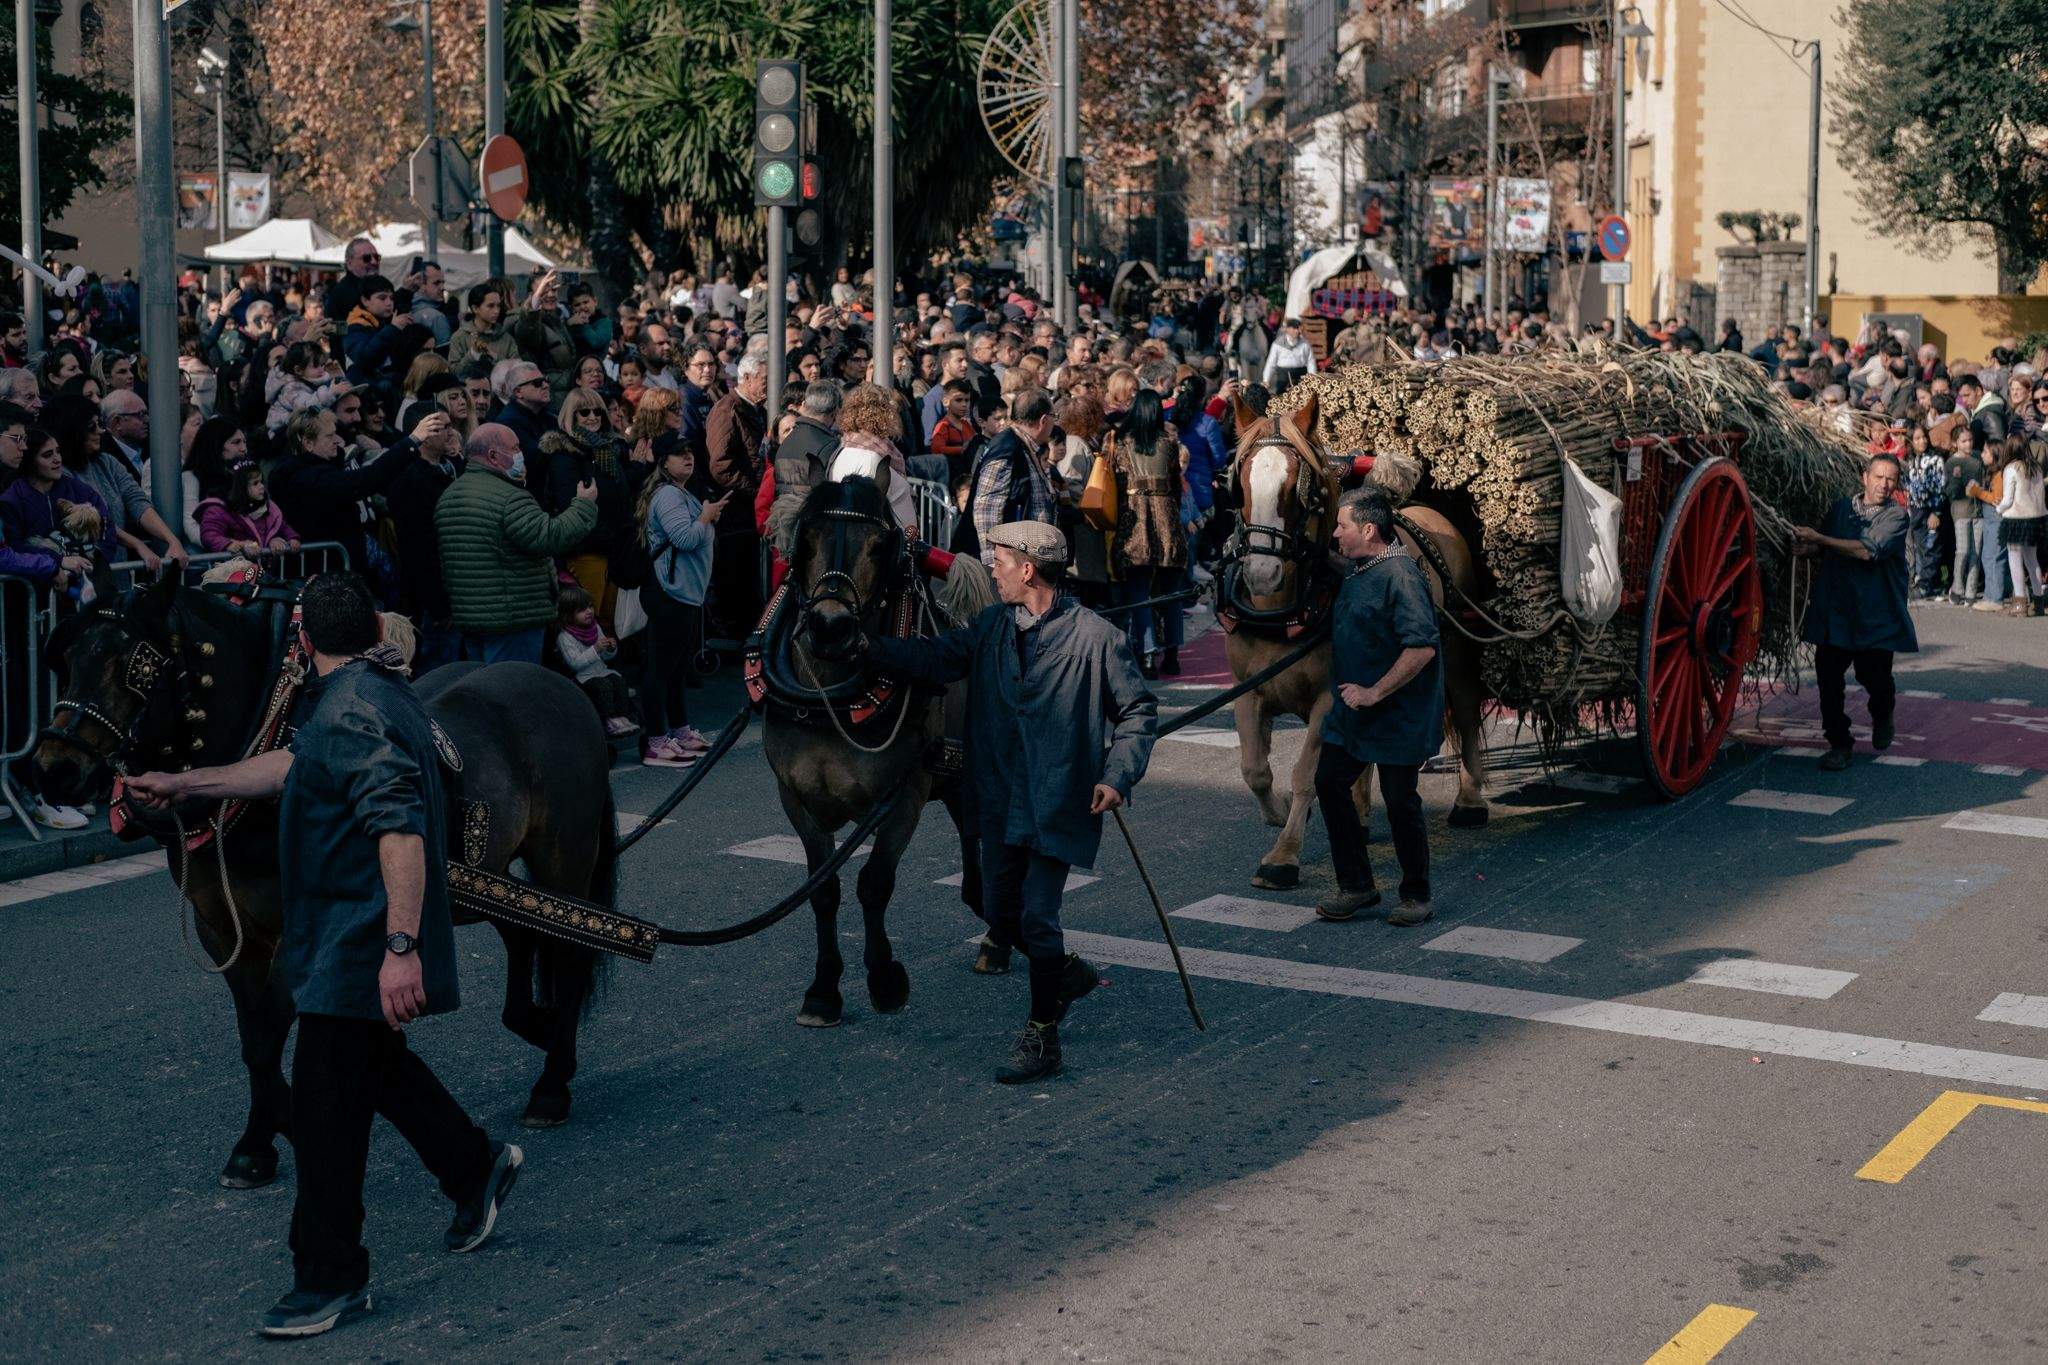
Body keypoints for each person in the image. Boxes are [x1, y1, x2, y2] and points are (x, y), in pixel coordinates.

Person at [123, 572, 524, 1340]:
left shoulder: (349, 712)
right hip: (343, 941)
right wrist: (189, 781)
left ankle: (330, 1275)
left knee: (324, 1112)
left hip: (356, 945)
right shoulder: (368, 692)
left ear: (303, 642)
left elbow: (400, 830)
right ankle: (476, 1169)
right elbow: (291, 765)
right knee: (378, 1069)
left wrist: (400, 948)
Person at [858, 521, 1156, 1084]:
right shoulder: (990, 626)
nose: (989, 568)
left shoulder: (1097, 637)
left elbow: (1138, 711)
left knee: (1038, 917)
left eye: (998, 559)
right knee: (996, 909)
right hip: (996, 799)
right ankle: (1062, 975)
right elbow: (933, 659)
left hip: (1058, 799)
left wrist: (1118, 776)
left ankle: (1043, 1035)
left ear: (1028, 569)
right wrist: (866, 648)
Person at [1314, 489, 1442, 927]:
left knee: (1398, 799)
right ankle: (1357, 885)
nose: (1335, 534)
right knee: (1329, 782)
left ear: (1368, 530)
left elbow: (1421, 648)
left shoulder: (1401, 577)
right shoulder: (1358, 568)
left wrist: (1374, 692)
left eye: (1341, 526)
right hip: (1353, 714)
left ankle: (1416, 894)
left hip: (1396, 714)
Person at [434, 423, 598, 663]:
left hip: (471, 617)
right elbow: (549, 537)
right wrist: (584, 505)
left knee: (483, 692)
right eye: (515, 448)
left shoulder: (449, 495)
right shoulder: (509, 498)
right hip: (513, 620)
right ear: (493, 455)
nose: (521, 454)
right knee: (512, 693)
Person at [1794, 453, 1916, 772]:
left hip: (1875, 614)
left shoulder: (1896, 517)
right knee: (1828, 679)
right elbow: (1823, 547)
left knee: (1874, 678)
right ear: (1865, 477)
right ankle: (1839, 743)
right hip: (1837, 611)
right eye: (1879, 477)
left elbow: (1865, 550)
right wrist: (1806, 547)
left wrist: (1819, 539)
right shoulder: (1841, 509)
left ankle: (1882, 714)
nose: (1884, 485)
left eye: (1891, 479)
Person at [636, 432, 721, 767]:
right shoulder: (669, 495)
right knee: (661, 668)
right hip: (669, 593)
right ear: (663, 462)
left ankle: (680, 731)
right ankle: (657, 741)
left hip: (684, 593)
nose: (688, 457)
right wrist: (705, 517)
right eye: (678, 453)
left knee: (676, 669)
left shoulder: (680, 493)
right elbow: (685, 538)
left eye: (689, 451)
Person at [1108, 389, 1188, 678]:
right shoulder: (1169, 444)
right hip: (1167, 521)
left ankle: (1148, 655)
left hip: (1135, 522)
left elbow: (1116, 484)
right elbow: (1177, 487)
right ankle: (1173, 655)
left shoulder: (1121, 444)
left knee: (1139, 592)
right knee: (1171, 593)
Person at [968, 389, 1058, 563]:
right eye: (1055, 417)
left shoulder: (1025, 446)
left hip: (1026, 559)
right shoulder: (1006, 448)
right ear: (1043, 420)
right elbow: (987, 509)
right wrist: (994, 563)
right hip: (1008, 565)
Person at [555, 585, 639, 737]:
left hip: (601, 670)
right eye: (582, 610)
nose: (589, 612)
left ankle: (622, 716)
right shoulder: (565, 637)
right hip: (582, 677)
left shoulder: (595, 628)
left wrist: (610, 649)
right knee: (604, 686)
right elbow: (574, 663)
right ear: (568, 614)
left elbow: (605, 658)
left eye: (590, 607)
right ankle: (609, 720)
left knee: (618, 680)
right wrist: (595, 649)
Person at [194, 460, 301, 557]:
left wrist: (289, 538)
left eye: (261, 481)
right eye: (255, 483)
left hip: (261, 572)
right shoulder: (218, 509)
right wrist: (232, 544)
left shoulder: (267, 507)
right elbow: (209, 534)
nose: (262, 486)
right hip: (231, 573)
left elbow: (280, 525)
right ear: (240, 487)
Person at [1991, 437, 2045, 615]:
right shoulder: (2036, 467)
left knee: (2015, 560)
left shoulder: (2011, 469)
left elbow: (2007, 499)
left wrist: (1998, 509)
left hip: (2016, 519)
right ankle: (2038, 602)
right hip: (2036, 518)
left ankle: (2020, 602)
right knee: (2032, 560)